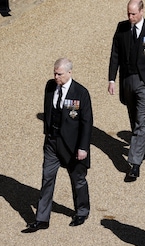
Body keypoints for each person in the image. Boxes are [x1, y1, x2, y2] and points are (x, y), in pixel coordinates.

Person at [23, 58, 93, 233]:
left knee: (77, 180)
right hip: (52, 143)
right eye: (54, 73)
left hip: (72, 146)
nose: (56, 77)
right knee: (47, 178)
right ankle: (41, 218)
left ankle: (82, 211)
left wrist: (83, 147)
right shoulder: (50, 86)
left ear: (69, 73)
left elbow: (86, 122)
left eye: (59, 74)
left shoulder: (81, 93)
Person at [108, 0, 145, 182]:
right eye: (128, 13)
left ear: (142, 11)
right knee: (134, 118)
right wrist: (111, 79)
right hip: (127, 80)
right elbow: (115, 54)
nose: (130, 17)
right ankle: (143, 148)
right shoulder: (121, 28)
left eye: (133, 13)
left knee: (141, 120)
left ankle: (134, 164)